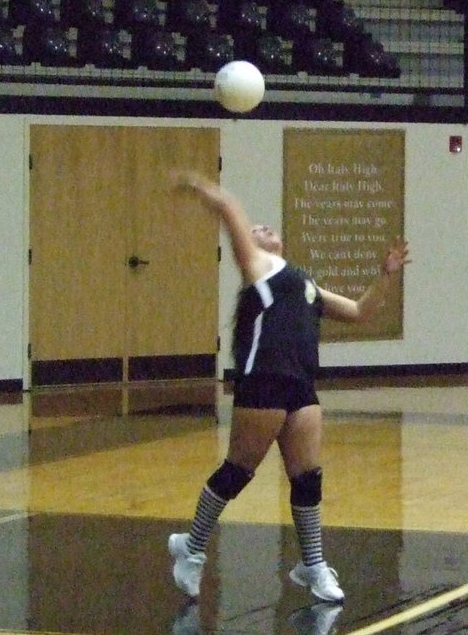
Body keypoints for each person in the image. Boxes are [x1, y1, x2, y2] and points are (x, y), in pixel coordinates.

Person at [168, 170, 410, 603]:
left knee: (307, 478)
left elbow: (358, 311)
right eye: (256, 229)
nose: (263, 229)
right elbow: (228, 209)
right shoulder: (259, 271)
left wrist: (386, 274)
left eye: (266, 227)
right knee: (237, 472)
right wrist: (200, 187)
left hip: (300, 384)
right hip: (263, 382)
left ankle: (312, 564)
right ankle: (192, 547)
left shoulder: (304, 282)